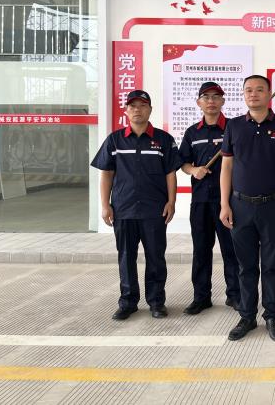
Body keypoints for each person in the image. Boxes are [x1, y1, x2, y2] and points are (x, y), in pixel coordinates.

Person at [219, 75, 275, 341]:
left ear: (269, 93)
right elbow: (227, 166)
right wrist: (224, 204)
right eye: (248, 90)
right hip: (240, 206)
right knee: (246, 266)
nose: (253, 94)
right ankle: (247, 316)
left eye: (259, 90)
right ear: (243, 95)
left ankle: (272, 316)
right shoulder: (233, 126)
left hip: (273, 206)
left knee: (271, 265)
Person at [91, 90, 182, 320]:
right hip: (123, 209)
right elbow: (106, 173)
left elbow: (170, 173)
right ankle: (128, 302)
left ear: (150, 109)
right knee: (126, 257)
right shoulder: (115, 140)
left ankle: (156, 302)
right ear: (126, 110)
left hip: (154, 210)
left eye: (142, 105)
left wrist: (171, 202)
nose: (137, 110)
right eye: (132, 106)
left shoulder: (163, 140)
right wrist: (105, 205)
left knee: (156, 257)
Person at [179, 81, 240, 315]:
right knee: (201, 250)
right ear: (199, 103)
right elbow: (183, 162)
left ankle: (235, 295)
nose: (211, 101)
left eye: (216, 97)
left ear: (223, 101)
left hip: (229, 202)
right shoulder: (192, 132)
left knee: (231, 250)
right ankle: (201, 297)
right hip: (201, 201)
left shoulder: (234, 128)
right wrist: (193, 170)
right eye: (206, 97)